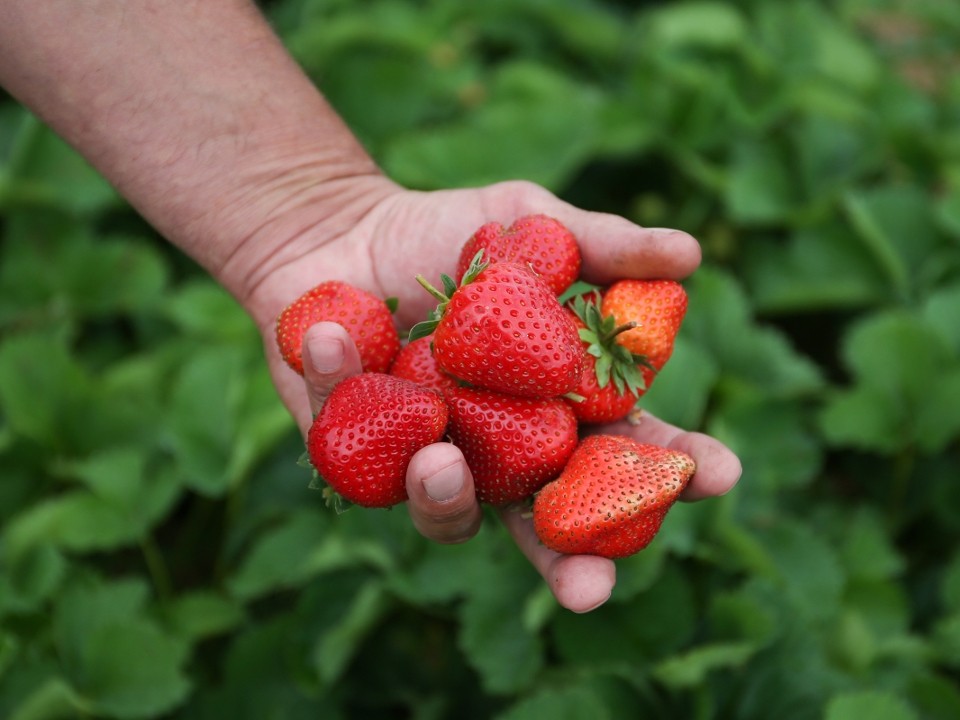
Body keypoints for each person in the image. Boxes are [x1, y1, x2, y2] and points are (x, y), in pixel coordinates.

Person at [0, 1, 741, 613]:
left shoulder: (494, 342)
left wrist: (300, 213)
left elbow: (518, 350)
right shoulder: (488, 350)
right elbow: (509, 354)